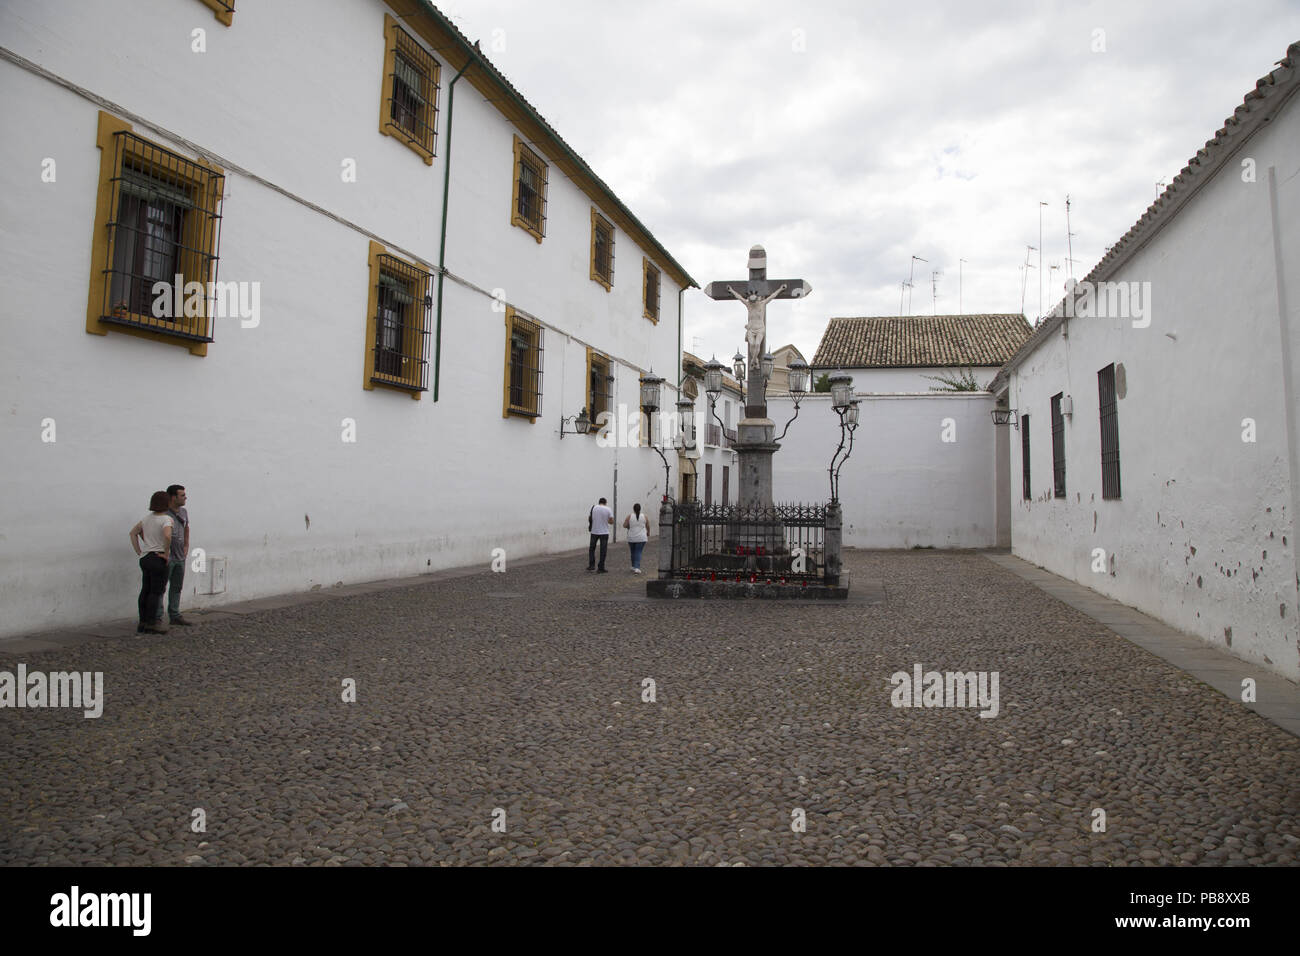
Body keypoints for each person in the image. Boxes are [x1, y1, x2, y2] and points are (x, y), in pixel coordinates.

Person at [130, 491, 174, 634]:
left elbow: (133, 532)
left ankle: (142, 622)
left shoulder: (146, 519)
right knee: (156, 592)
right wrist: (166, 553)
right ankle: (151, 623)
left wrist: (139, 550)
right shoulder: (167, 519)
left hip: (146, 557)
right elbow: (167, 535)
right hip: (158, 557)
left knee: (145, 590)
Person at [164, 484, 193, 626]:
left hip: (180, 557)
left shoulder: (184, 512)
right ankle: (157, 616)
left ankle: (174, 614)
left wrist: (186, 545)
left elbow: (186, 527)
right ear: (173, 497)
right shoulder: (163, 513)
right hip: (167, 557)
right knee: (161, 587)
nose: (185, 497)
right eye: (182, 495)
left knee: (177, 587)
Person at [587, 496, 614, 573]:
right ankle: (601, 567)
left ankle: (591, 565)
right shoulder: (608, 509)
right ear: (605, 503)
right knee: (603, 550)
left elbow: (590, 518)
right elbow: (611, 522)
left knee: (592, 549)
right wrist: (606, 520)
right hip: (604, 532)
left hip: (594, 531)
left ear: (599, 502)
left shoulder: (594, 507)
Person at [623, 503, 650, 573]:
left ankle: (633, 566)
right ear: (640, 509)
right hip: (641, 538)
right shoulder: (644, 516)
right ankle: (637, 567)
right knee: (638, 552)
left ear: (633, 509)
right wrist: (648, 533)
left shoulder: (629, 516)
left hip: (631, 537)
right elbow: (648, 526)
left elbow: (624, 525)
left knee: (633, 552)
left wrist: (630, 526)